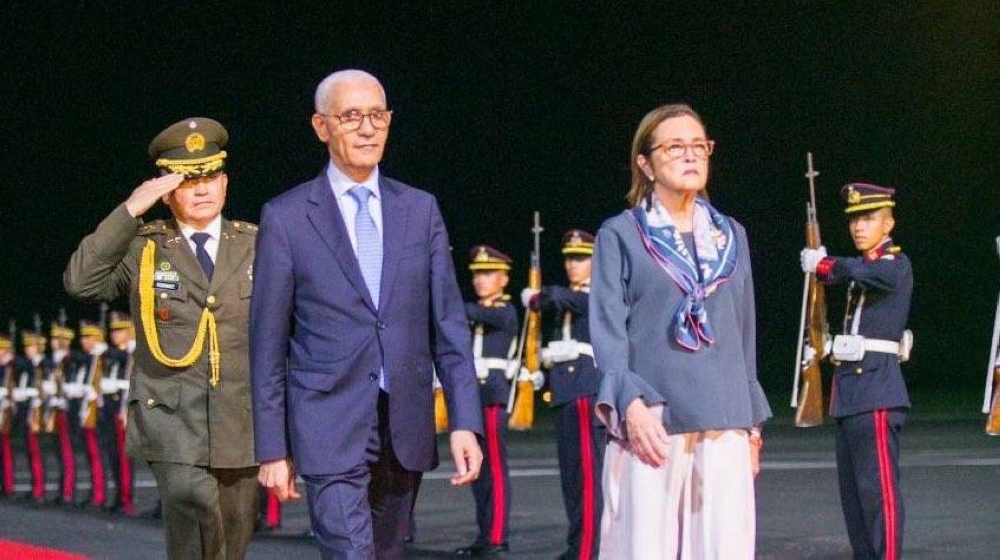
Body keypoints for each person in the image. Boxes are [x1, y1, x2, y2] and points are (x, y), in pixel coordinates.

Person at [251, 68, 484, 559]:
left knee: (386, 552)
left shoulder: (420, 209)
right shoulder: (288, 217)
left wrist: (466, 420)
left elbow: (449, 327)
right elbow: (268, 344)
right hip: (328, 422)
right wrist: (272, 447)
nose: (366, 128)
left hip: (404, 423)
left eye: (376, 115)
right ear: (321, 127)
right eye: (351, 116)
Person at [64, 117, 259, 559]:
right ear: (168, 190)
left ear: (225, 183)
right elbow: (81, 282)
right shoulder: (144, 247)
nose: (202, 189)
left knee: (232, 536)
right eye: (189, 180)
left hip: (240, 419)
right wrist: (131, 209)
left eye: (210, 177)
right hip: (173, 420)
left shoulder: (256, 245)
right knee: (196, 512)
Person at [589, 103, 771, 559]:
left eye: (699, 145)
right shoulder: (621, 234)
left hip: (725, 419)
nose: (690, 155)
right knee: (643, 549)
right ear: (645, 164)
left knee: (724, 549)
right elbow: (608, 331)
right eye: (675, 147)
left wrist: (750, 426)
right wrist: (629, 404)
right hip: (653, 419)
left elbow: (742, 331)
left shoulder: (731, 235)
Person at [800, 183, 912, 560]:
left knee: (879, 495)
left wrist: (826, 264)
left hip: (877, 390)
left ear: (889, 222)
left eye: (868, 218)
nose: (858, 226)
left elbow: (861, 272)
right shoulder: (863, 270)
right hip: (850, 394)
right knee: (854, 500)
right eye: (854, 220)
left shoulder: (895, 264)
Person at [523, 229, 604, 560]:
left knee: (588, 478)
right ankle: (577, 545)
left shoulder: (600, 293)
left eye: (581, 258)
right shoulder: (563, 299)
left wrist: (540, 293)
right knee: (571, 479)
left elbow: (572, 301)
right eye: (569, 258)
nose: (573, 264)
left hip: (587, 391)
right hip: (565, 393)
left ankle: (588, 551)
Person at [456, 245, 518, 556]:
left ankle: (496, 536)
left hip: (493, 395)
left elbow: (470, 313)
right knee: (477, 470)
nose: (481, 280)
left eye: (488, 274)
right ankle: (484, 535)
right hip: (472, 397)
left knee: (493, 467)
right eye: (477, 274)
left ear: (504, 279)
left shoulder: (505, 312)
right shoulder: (474, 312)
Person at [101, 312, 135, 514]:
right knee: (113, 455)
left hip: (125, 409)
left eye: (119, 330)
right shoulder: (113, 355)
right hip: (110, 409)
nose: (115, 335)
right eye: (113, 331)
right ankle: (118, 494)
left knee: (124, 457)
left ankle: (127, 499)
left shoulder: (133, 353)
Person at [43, 323, 80, 506]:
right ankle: (61, 488)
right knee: (58, 451)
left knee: (67, 452)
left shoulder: (70, 360)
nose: (54, 342)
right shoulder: (54, 361)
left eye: (57, 339)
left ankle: (68, 491)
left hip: (66, 411)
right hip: (55, 409)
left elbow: (74, 384)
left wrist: (63, 390)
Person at [18, 331, 49, 502]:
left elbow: (47, 388)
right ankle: (35, 486)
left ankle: (39, 489)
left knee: (37, 451)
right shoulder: (28, 366)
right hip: (28, 411)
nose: (27, 349)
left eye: (30, 346)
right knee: (31, 451)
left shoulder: (46, 364)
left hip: (41, 413)